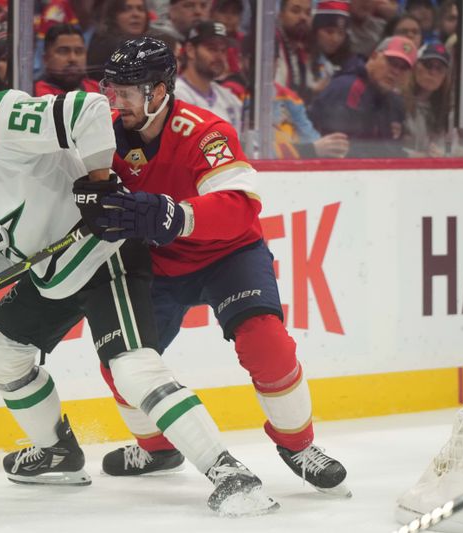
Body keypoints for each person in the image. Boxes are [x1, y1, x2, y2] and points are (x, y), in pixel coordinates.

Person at [0, 50, 279, 517]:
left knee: (133, 370)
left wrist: (99, 183)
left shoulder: (1, 116)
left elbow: (88, 110)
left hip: (103, 251)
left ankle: (229, 471)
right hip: (53, 269)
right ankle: (58, 452)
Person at [74, 36, 350, 497]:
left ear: (160, 91)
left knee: (267, 343)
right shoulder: (100, 129)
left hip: (227, 255)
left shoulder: (206, 131)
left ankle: (298, 446)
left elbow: (241, 206)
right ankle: (158, 447)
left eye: (127, 90)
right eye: (111, 88)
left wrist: (175, 215)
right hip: (154, 262)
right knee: (120, 362)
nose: (114, 100)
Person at [309, 35, 417, 157]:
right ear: (374, 56)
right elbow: (340, 150)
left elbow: (391, 149)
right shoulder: (348, 88)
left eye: (403, 68)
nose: (396, 72)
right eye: (391, 62)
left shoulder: (394, 102)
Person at [174, 21, 243, 132]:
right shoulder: (176, 95)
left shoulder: (229, 98)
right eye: (212, 49)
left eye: (223, 50)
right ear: (190, 50)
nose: (219, 56)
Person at [402, 41, 452, 157]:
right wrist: (412, 156)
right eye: (428, 65)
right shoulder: (397, 101)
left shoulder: (447, 111)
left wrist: (445, 153)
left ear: (445, 76)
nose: (433, 72)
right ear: (415, 66)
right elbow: (385, 145)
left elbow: (449, 145)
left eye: (440, 68)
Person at [34, 24, 100, 96]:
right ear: (46, 59)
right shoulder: (33, 95)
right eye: (63, 51)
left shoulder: (98, 90)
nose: (72, 58)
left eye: (78, 51)